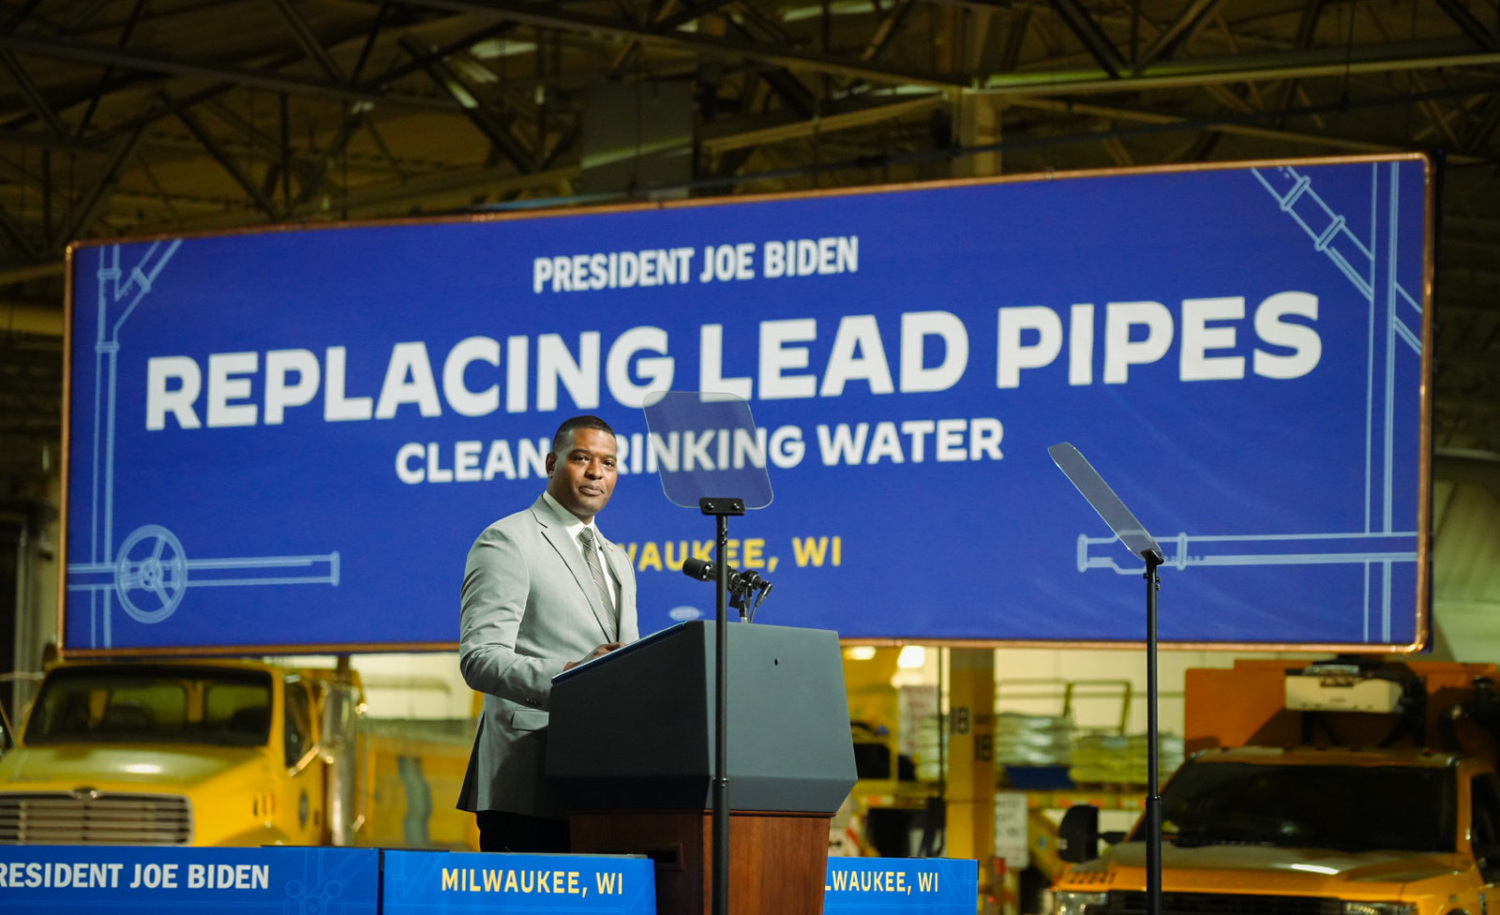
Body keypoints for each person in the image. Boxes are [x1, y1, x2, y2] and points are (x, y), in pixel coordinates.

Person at [457, 414, 639, 853]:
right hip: (526, 785)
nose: (597, 472)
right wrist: (573, 676)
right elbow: (479, 656)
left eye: (609, 463)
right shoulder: (508, 540)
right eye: (582, 458)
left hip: (603, 787)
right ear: (551, 463)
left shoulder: (618, 560)